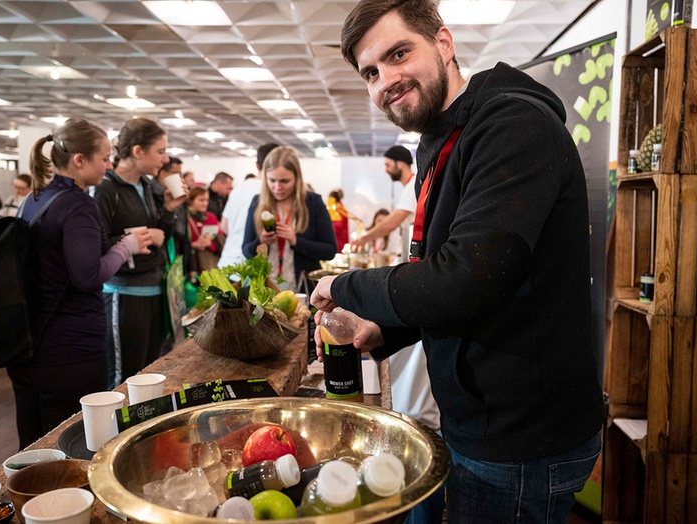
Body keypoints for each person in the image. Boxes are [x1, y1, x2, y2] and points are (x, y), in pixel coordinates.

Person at [311, 1, 605, 522]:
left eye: (399, 53)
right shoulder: (442, 139)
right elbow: (456, 270)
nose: (387, 81)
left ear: (444, 44)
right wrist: (388, 332)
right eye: (371, 73)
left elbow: (466, 282)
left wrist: (346, 286)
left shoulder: (511, 126)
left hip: (522, 437)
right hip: (481, 419)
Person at [6, 118, 152, 448]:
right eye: (103, 158)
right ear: (79, 160)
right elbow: (87, 276)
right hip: (69, 350)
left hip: (30, 343)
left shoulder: (36, 198)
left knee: (32, 447)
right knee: (69, 444)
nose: (109, 165)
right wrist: (125, 246)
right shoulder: (78, 205)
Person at [94, 117, 186, 389]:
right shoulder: (106, 189)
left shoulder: (145, 186)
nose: (165, 158)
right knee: (124, 380)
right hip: (123, 296)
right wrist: (131, 239)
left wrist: (169, 211)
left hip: (154, 291)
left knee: (148, 374)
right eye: (160, 151)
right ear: (137, 152)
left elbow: (159, 238)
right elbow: (97, 245)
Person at [242, 146, 336, 291]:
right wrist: (261, 242)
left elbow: (329, 251)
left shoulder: (313, 203)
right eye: (272, 180)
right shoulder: (257, 202)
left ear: (297, 178)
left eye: (285, 181)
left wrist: (296, 241)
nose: (277, 187)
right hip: (265, 291)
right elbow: (246, 251)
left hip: (303, 290)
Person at [351, 145, 416, 260]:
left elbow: (392, 223)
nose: (386, 170)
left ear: (400, 164)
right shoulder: (409, 187)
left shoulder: (413, 185)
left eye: (388, 165)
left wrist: (364, 238)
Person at [218, 143, 277, 269]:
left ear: (257, 165)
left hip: (227, 262)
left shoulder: (238, 188)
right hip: (249, 267)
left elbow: (224, 227)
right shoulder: (273, 192)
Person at [186, 187, 222, 273]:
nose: (205, 203)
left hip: (208, 264)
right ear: (191, 201)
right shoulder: (184, 218)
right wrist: (193, 245)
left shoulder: (211, 218)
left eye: (207, 200)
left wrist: (210, 244)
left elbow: (221, 242)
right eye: (201, 200)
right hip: (190, 265)